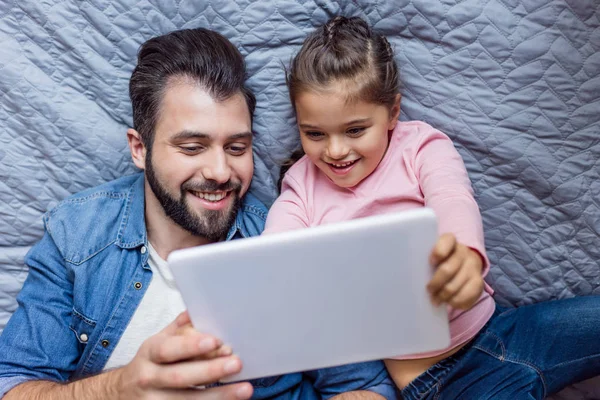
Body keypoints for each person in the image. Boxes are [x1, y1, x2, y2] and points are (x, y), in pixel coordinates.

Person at [0, 28, 396, 400]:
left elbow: (367, 386)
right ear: (140, 149)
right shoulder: (78, 235)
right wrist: (117, 389)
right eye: (192, 148)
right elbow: (12, 384)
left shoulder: (285, 243)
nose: (221, 172)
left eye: (237, 148)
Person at [264, 15, 600, 399]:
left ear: (392, 112)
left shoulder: (421, 146)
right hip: (439, 384)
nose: (336, 151)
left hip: (505, 333)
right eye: (315, 134)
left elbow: (452, 199)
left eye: (355, 130)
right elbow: (276, 257)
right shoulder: (302, 185)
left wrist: (466, 255)